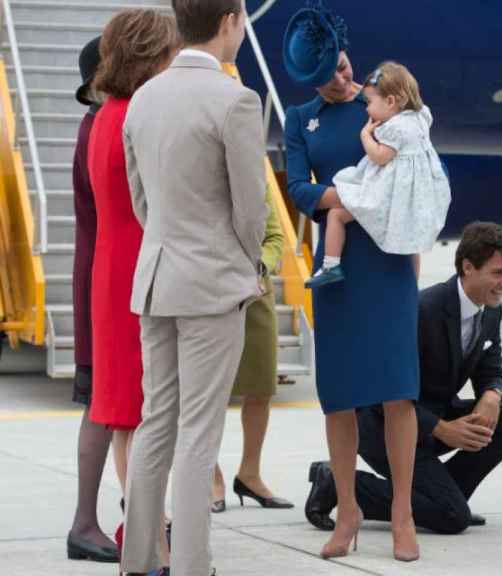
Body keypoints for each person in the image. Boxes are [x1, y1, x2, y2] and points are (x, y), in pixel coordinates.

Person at [119, 1, 267, 574]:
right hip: (211, 283)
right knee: (198, 433)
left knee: (156, 423)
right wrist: (248, 262)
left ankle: (137, 563)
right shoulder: (235, 100)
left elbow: (141, 201)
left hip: (156, 278)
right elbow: (251, 210)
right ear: (230, 19)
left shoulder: (144, 98)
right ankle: (191, 566)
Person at [282, 4, 420, 562]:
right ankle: (347, 509)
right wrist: (345, 199)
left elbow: (417, 168)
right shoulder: (300, 119)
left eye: (344, 67)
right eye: (331, 77)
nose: (344, 80)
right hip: (337, 265)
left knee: (397, 392)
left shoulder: (389, 106)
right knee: (337, 397)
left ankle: (404, 513)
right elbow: (295, 187)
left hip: (388, 260)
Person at [305, 222, 502, 536]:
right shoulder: (421, 311)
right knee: (451, 518)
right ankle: (336, 481)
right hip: (384, 427)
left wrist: (492, 396)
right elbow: (381, 393)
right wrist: (443, 429)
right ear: (468, 267)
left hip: (433, 418)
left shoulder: (490, 310)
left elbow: (492, 371)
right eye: (499, 273)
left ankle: (445, 498)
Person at [86, 10, 180, 561]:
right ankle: (153, 537)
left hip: (113, 265)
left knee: (128, 412)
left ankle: (145, 527)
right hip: (140, 269)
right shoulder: (136, 118)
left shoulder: (106, 115)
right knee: (146, 412)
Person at [305, 61, 451, 287]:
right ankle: (412, 283)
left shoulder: (396, 128)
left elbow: (380, 157)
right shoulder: (421, 117)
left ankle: (331, 265)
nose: (366, 109)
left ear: (391, 102)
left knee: (336, 215)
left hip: (388, 191)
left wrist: (365, 135)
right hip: (412, 192)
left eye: (371, 102)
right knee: (410, 245)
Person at [67, 35, 119, 564]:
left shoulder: (95, 126)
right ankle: (84, 521)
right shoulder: (101, 128)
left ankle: (95, 518)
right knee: (102, 404)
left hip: (100, 276)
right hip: (103, 281)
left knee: (106, 404)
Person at [212, 189, 293, 513]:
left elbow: (275, 238)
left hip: (256, 294)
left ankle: (249, 474)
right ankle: (210, 478)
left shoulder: (256, 181)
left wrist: (259, 268)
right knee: (210, 393)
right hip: (213, 295)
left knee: (260, 388)